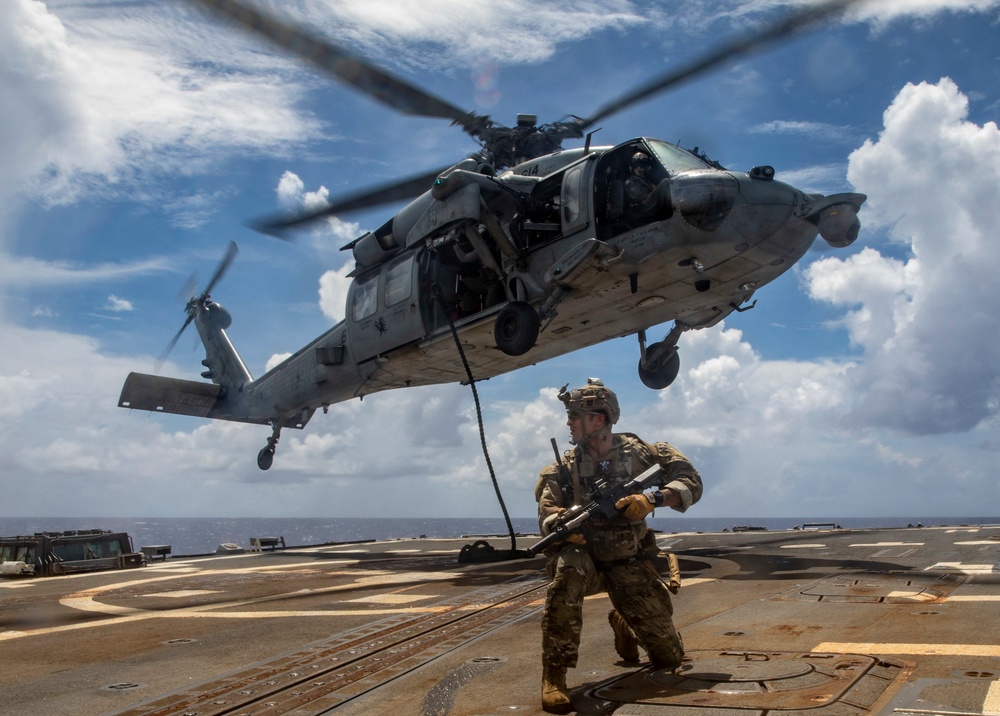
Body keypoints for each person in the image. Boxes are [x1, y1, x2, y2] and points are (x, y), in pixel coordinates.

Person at [534, 378, 703, 714]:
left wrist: (651, 498)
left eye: (573, 416)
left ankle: (624, 622)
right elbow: (546, 514)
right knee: (566, 572)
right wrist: (564, 525)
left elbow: (691, 483)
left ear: (598, 420)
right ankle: (554, 675)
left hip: (629, 560)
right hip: (586, 563)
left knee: (668, 659)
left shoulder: (649, 453)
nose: (568, 423)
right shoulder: (562, 469)